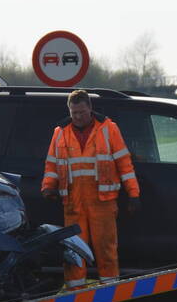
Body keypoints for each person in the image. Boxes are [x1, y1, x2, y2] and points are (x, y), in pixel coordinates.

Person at [41, 89, 141, 291]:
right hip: (73, 203)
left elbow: (124, 163)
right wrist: (48, 187)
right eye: (74, 112)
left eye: (82, 112)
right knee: (74, 253)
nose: (78, 116)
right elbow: (51, 165)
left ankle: (110, 293)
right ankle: (75, 296)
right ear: (69, 110)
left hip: (102, 202)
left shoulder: (108, 129)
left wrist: (133, 193)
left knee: (106, 250)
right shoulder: (60, 133)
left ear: (90, 109)